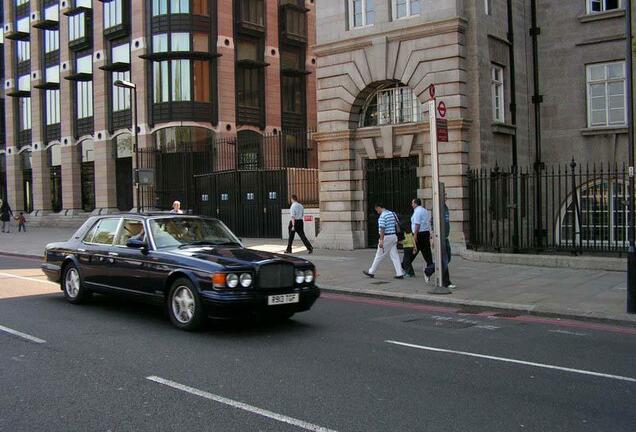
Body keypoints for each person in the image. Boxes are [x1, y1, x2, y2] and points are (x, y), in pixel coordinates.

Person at [363, 203, 404, 279]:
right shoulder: (392, 214)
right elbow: (397, 226)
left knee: (378, 256)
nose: (376, 212)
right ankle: (399, 273)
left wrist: (381, 240)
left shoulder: (382, 216)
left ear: (379, 207)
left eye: (376, 210)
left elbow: (382, 229)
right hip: (393, 236)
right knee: (395, 256)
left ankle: (371, 272)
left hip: (386, 237)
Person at [410, 198, 434, 282]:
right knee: (426, 252)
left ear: (416, 203)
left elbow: (417, 224)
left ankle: (406, 265)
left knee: (414, 251)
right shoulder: (424, 210)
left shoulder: (417, 211)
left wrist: (415, 235)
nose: (412, 205)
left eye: (412, 203)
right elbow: (427, 222)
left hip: (419, 234)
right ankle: (430, 265)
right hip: (425, 233)